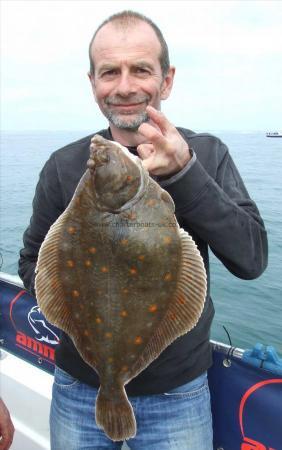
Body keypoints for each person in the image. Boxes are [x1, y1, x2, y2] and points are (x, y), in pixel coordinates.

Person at [18, 10, 268, 450]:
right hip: (79, 387)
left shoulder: (205, 155)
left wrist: (186, 173)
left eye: (141, 70)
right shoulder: (63, 166)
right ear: (93, 82)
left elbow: (251, 260)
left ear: (166, 80)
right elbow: (30, 261)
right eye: (109, 71)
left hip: (178, 391)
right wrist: (79, 304)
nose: (125, 85)